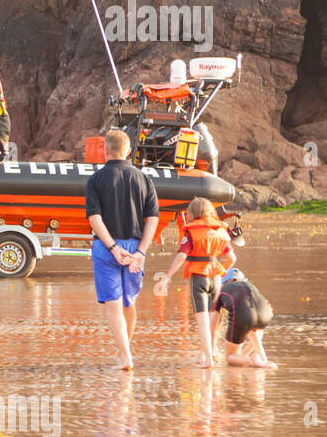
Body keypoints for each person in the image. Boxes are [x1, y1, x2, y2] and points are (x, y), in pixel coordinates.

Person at [85, 128, 159, 370]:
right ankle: (124, 351)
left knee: (113, 304)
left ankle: (125, 356)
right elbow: (153, 219)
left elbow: (95, 219)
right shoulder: (144, 179)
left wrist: (114, 248)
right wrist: (141, 252)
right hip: (136, 246)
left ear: (105, 150)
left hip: (107, 247)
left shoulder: (95, 180)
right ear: (128, 151)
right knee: (129, 303)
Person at [161, 197, 235, 368]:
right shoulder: (220, 231)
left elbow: (181, 256)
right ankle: (207, 354)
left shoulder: (190, 232)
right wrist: (222, 270)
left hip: (199, 277)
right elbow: (232, 257)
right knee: (213, 317)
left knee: (202, 319)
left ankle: (208, 359)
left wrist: (168, 276)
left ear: (192, 213)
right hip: (216, 278)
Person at [213, 267, 275, 369]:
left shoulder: (221, 291)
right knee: (253, 326)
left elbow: (213, 323)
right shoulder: (250, 286)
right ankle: (261, 357)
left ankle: (251, 361)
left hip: (245, 317)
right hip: (266, 316)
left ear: (222, 283)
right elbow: (263, 307)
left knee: (229, 356)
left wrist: (212, 348)